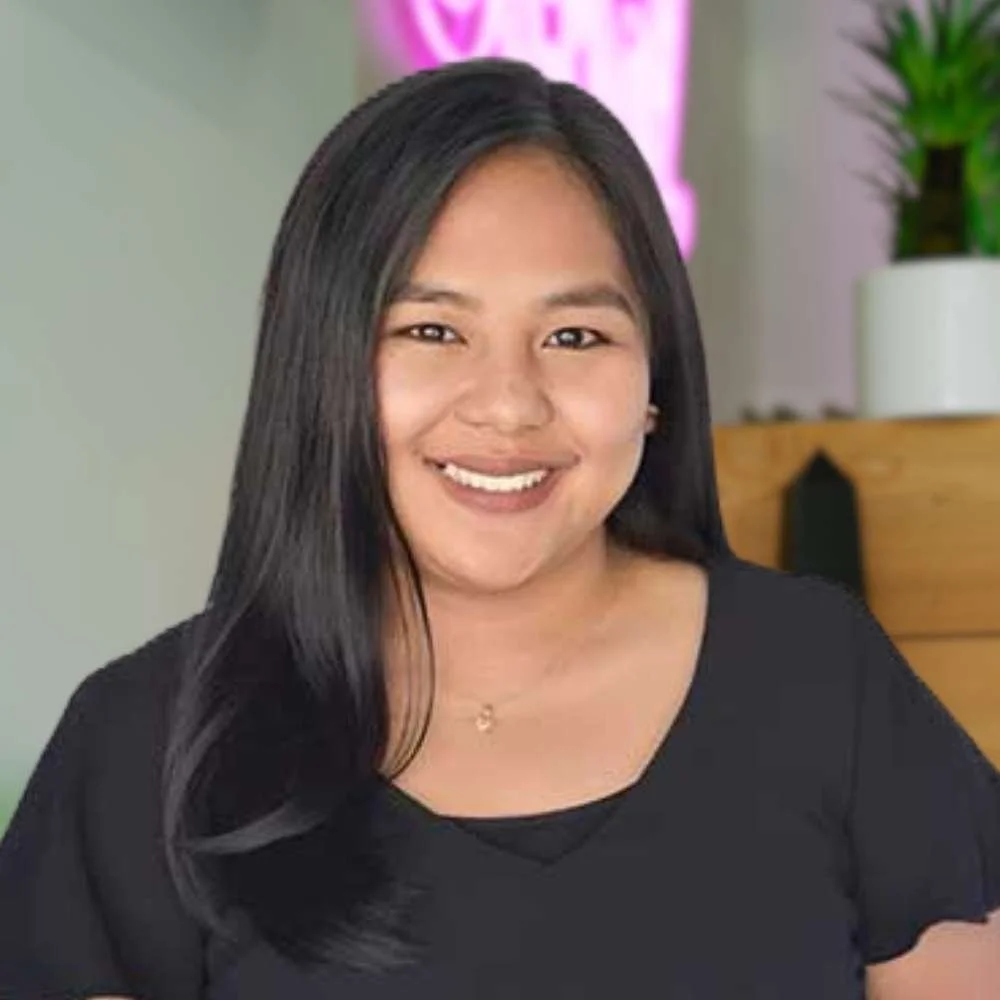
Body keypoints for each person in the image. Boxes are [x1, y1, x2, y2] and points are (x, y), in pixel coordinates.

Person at [1, 56, 998, 1000]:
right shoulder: (148, 739)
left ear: (655, 384)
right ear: (324, 368)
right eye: (431, 330)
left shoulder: (824, 681)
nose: (510, 404)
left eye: (575, 336)